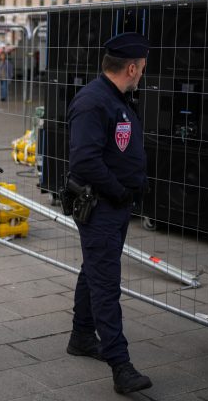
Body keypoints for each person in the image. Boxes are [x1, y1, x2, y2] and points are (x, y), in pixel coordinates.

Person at [65, 32, 152, 395]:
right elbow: (84, 159)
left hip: (114, 206)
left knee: (95, 271)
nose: (143, 74)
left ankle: (82, 335)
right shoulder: (93, 102)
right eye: (143, 69)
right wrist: (118, 191)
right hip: (101, 206)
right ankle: (120, 365)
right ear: (131, 67)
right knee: (105, 284)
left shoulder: (115, 98)